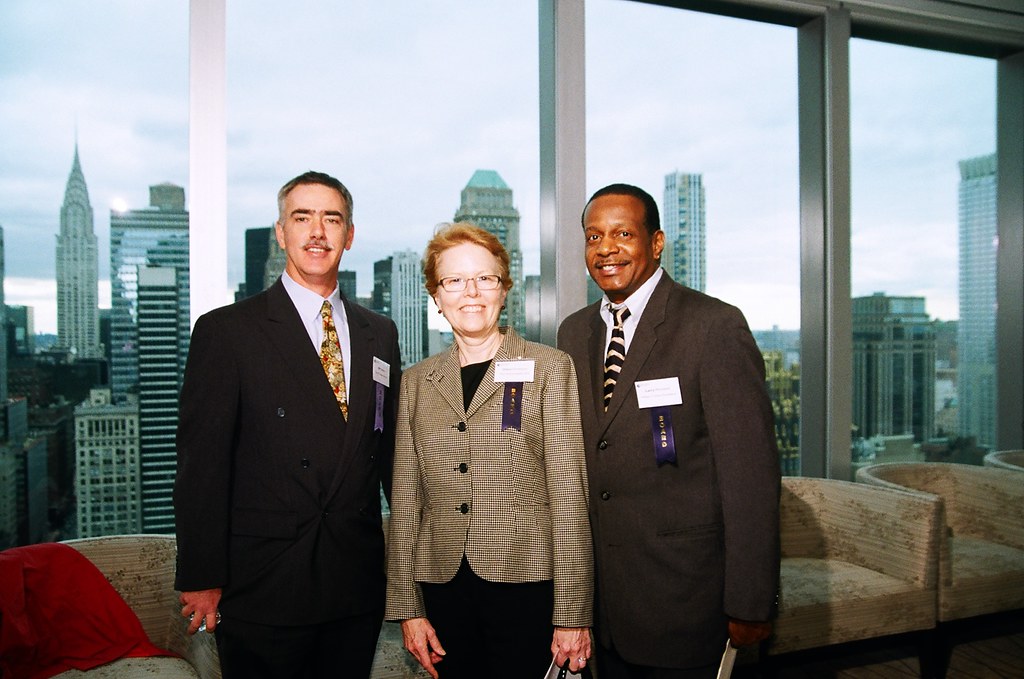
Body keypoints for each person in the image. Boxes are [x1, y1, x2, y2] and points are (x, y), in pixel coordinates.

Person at [173, 171, 402, 679]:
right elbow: (201, 465)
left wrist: (406, 572)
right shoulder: (227, 331)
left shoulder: (379, 333)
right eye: (302, 218)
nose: (317, 232)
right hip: (266, 581)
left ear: (349, 235)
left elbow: (387, 454)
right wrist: (202, 575)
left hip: (353, 579)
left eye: (331, 219)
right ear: (281, 232)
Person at [557, 184, 780, 679]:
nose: (606, 248)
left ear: (656, 242)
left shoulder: (712, 326)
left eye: (622, 233)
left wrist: (751, 601)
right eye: (594, 236)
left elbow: (750, 477)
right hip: (605, 603)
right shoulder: (573, 332)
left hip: (685, 597)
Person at [385, 223, 593, 679]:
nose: (471, 292)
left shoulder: (550, 368)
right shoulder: (417, 382)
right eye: (454, 280)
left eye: (485, 278)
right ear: (436, 297)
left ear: (504, 289)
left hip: (529, 585)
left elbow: (569, 496)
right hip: (441, 588)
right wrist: (407, 607)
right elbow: (405, 501)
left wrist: (573, 613)